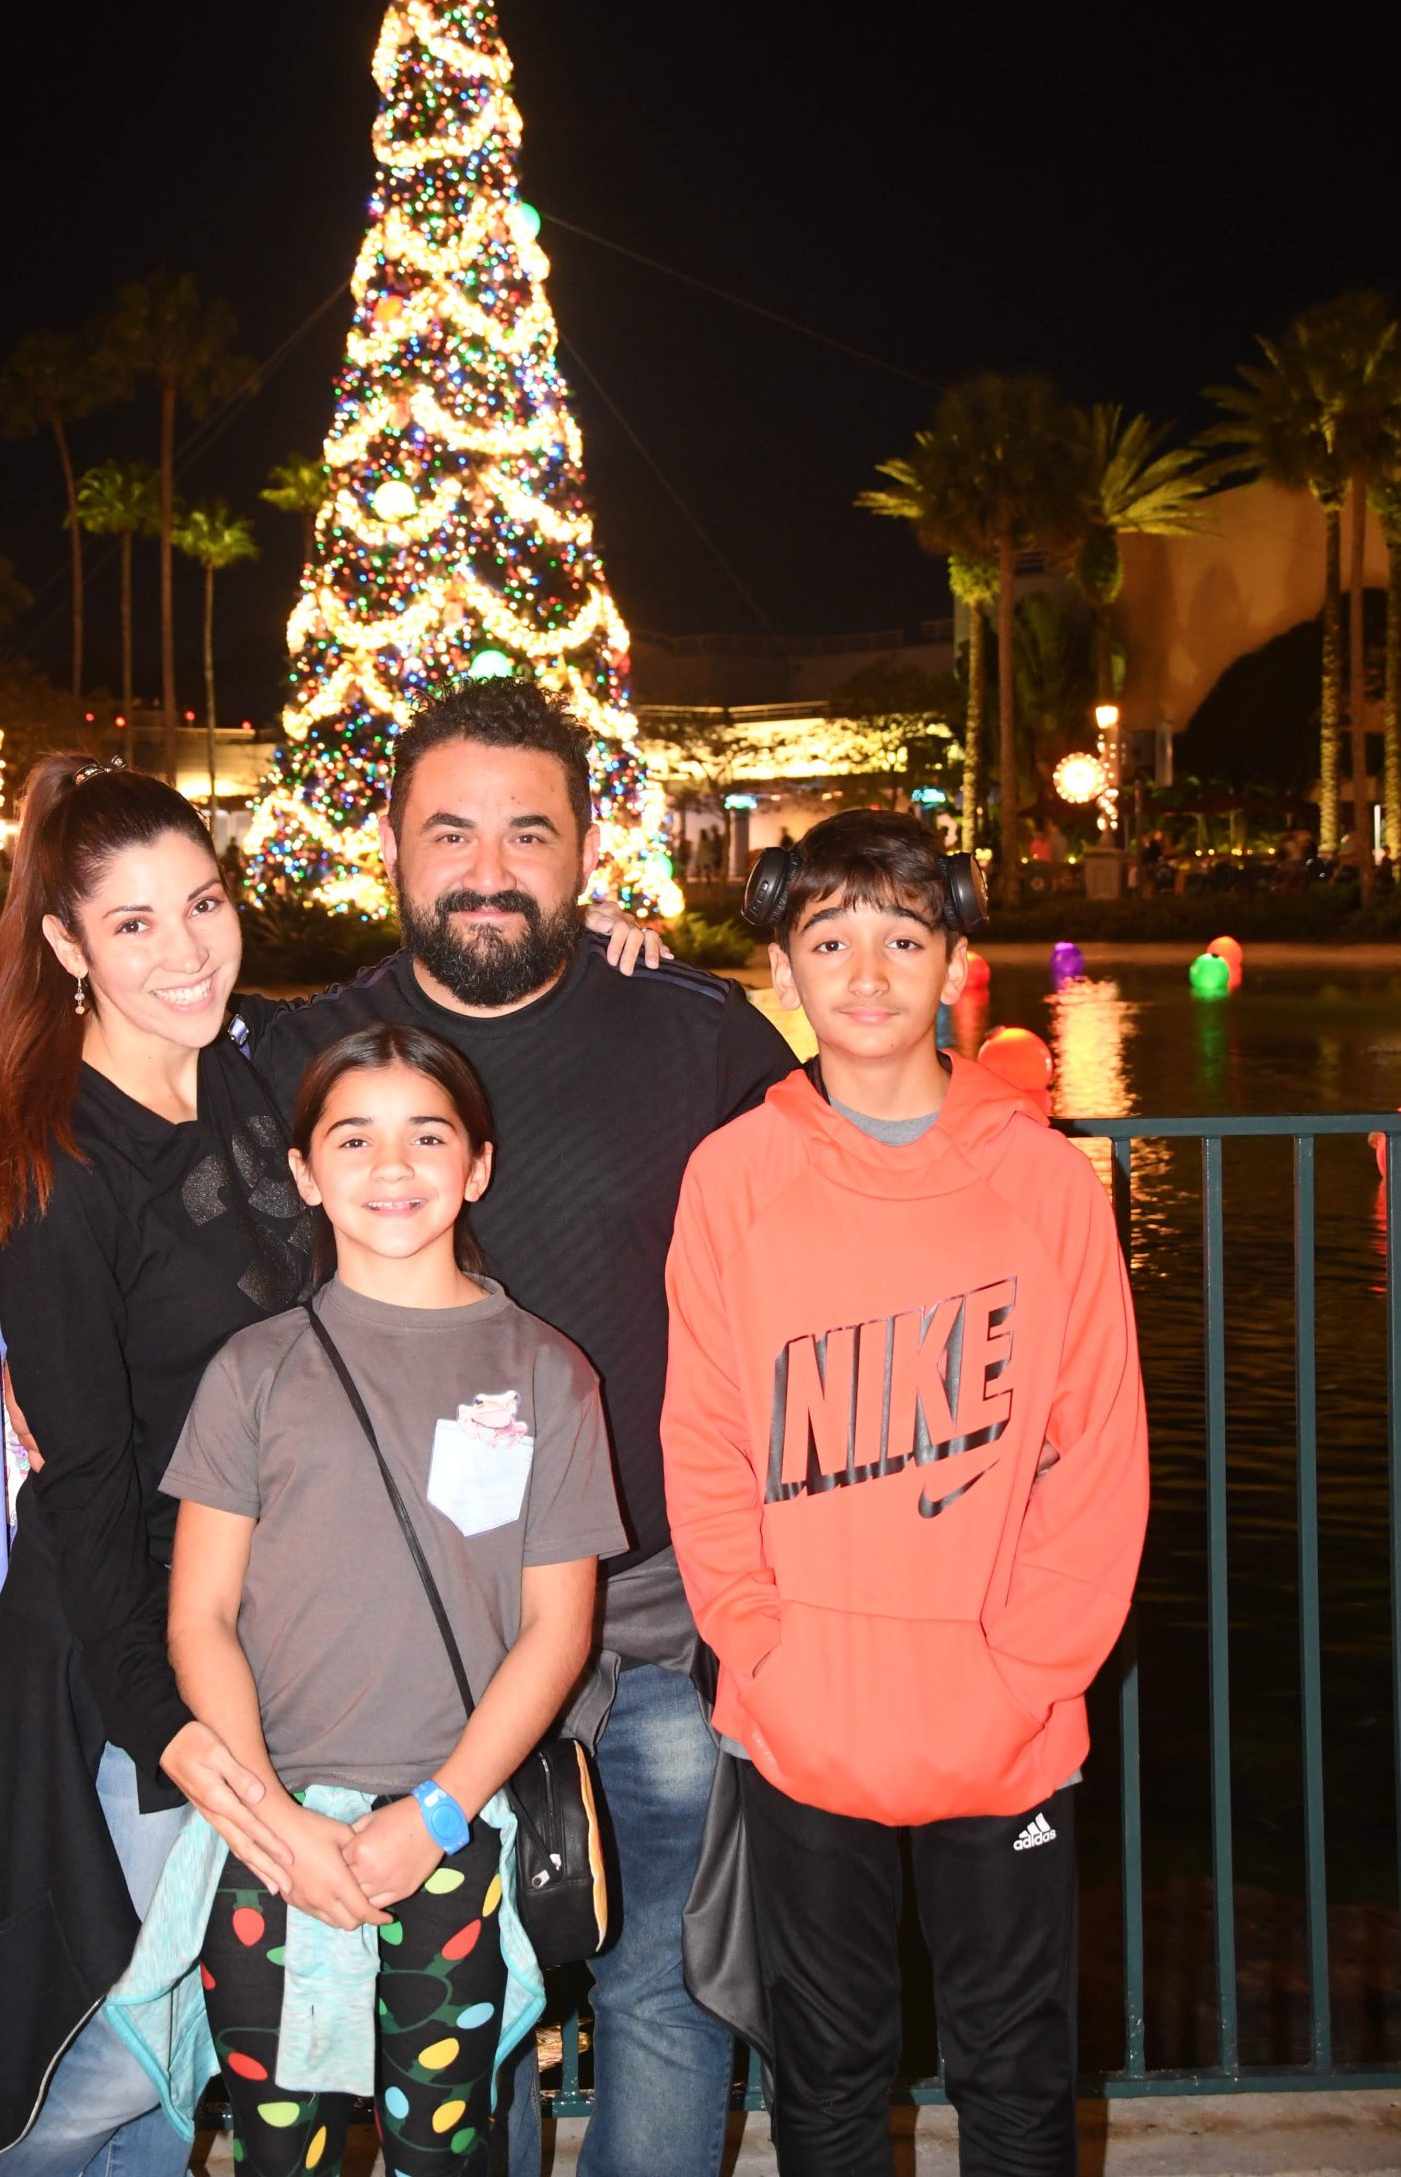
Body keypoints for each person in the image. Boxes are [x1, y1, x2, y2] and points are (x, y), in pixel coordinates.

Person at [0, 753, 656, 2177]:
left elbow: (431, 1007)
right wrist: (204, 1767)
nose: (183, 951)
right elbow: (82, 1497)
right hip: (152, 1666)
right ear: (67, 946)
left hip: (301, 1639)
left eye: (201, 903)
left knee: (233, 2055)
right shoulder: (63, 1173)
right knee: (116, 2063)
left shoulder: (260, 1060)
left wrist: (605, 949)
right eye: (131, 925)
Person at [250, 677, 797, 2177]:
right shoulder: (304, 1052)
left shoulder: (698, 1040)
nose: (488, 870)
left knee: (671, 1989)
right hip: (422, 1635)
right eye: (450, 832)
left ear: (582, 851)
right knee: (459, 1998)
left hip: (654, 1612)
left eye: (527, 834)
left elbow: (851, 1209)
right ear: (391, 847)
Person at [662, 808, 1149, 2176]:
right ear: (782, 973)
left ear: (951, 963)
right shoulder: (732, 1179)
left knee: (1013, 2074)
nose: (865, 971)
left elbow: (1095, 1446)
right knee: (824, 2076)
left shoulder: (1043, 1182)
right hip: (800, 1716)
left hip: (1005, 1722)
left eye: (900, 936)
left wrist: (1027, 1665)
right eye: (829, 939)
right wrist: (759, 1641)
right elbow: (701, 1436)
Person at [162, 1023, 628, 2173]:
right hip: (273, 1837)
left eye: (426, 1136)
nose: (391, 1167)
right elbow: (198, 1616)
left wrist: (433, 1814)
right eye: (353, 1138)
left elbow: (557, 1625)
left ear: (475, 1164)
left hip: (453, 1830)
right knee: (286, 2152)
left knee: (448, 2144)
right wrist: (275, 1825)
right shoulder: (251, 1369)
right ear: (306, 1172)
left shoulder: (545, 1370)